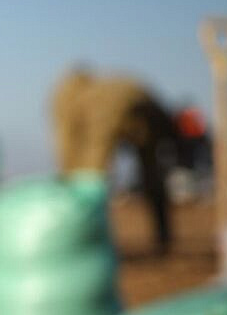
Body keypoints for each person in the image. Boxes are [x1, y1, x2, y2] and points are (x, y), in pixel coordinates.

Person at [51, 67, 179, 253]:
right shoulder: (114, 86)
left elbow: (69, 151)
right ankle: (163, 236)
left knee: (90, 180)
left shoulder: (87, 100)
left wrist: (68, 181)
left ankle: (86, 239)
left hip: (134, 119)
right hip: (150, 117)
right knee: (152, 177)